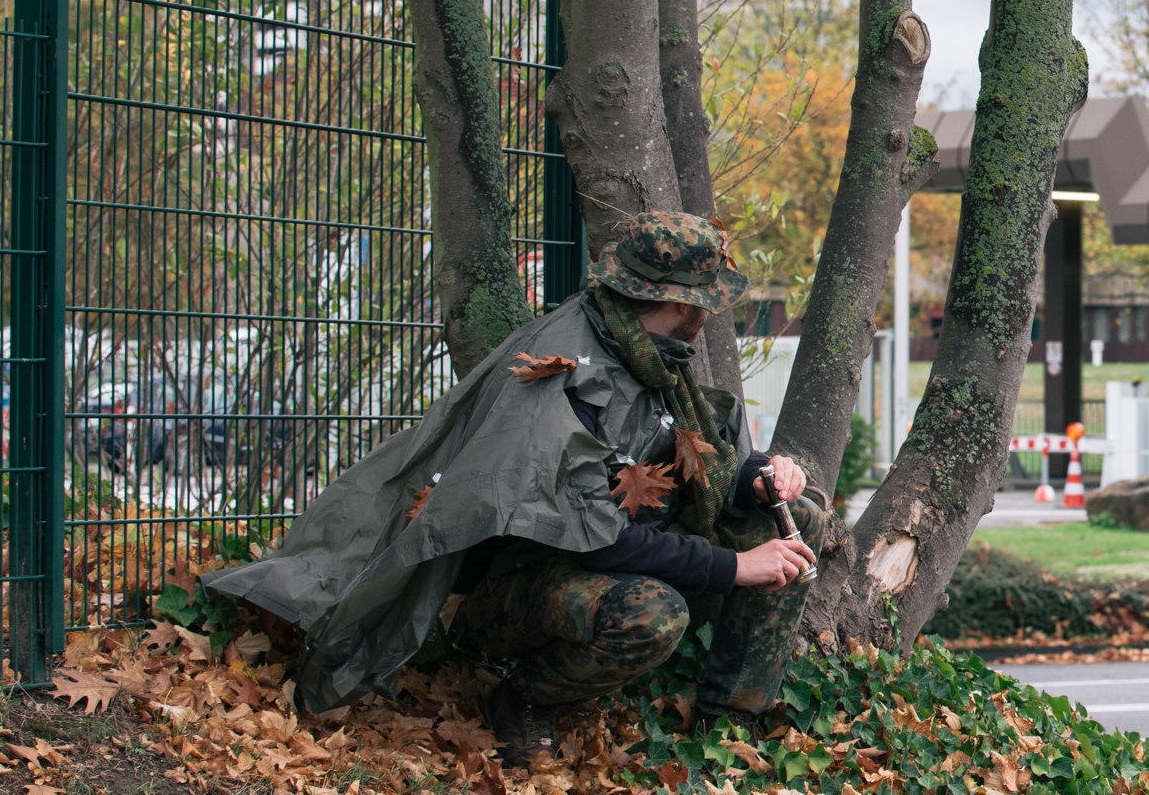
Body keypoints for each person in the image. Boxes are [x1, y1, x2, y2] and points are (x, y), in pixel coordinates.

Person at [204, 213, 821, 765]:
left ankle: (729, 721)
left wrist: (761, 476)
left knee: (800, 519)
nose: (710, 315)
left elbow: (690, 460)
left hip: (603, 554)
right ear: (682, 305)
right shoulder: (569, 377)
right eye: (705, 303)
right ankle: (522, 700)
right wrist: (731, 565)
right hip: (519, 585)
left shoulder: (649, 351)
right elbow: (595, 542)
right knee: (654, 616)